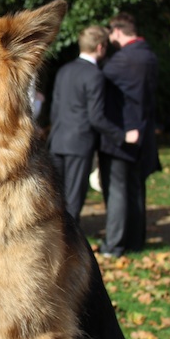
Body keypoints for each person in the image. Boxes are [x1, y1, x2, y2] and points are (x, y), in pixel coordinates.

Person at [48, 25, 139, 224]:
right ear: (100, 47)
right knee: (72, 203)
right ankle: (69, 241)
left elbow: (55, 110)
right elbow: (96, 117)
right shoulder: (95, 75)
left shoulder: (64, 70)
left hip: (57, 140)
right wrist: (123, 136)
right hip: (79, 144)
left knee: (53, 201)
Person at [98, 12, 161, 258]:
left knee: (117, 191)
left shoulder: (123, 60)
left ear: (117, 31)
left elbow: (98, 77)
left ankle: (115, 243)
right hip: (142, 133)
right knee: (136, 190)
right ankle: (136, 240)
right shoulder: (149, 55)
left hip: (121, 134)